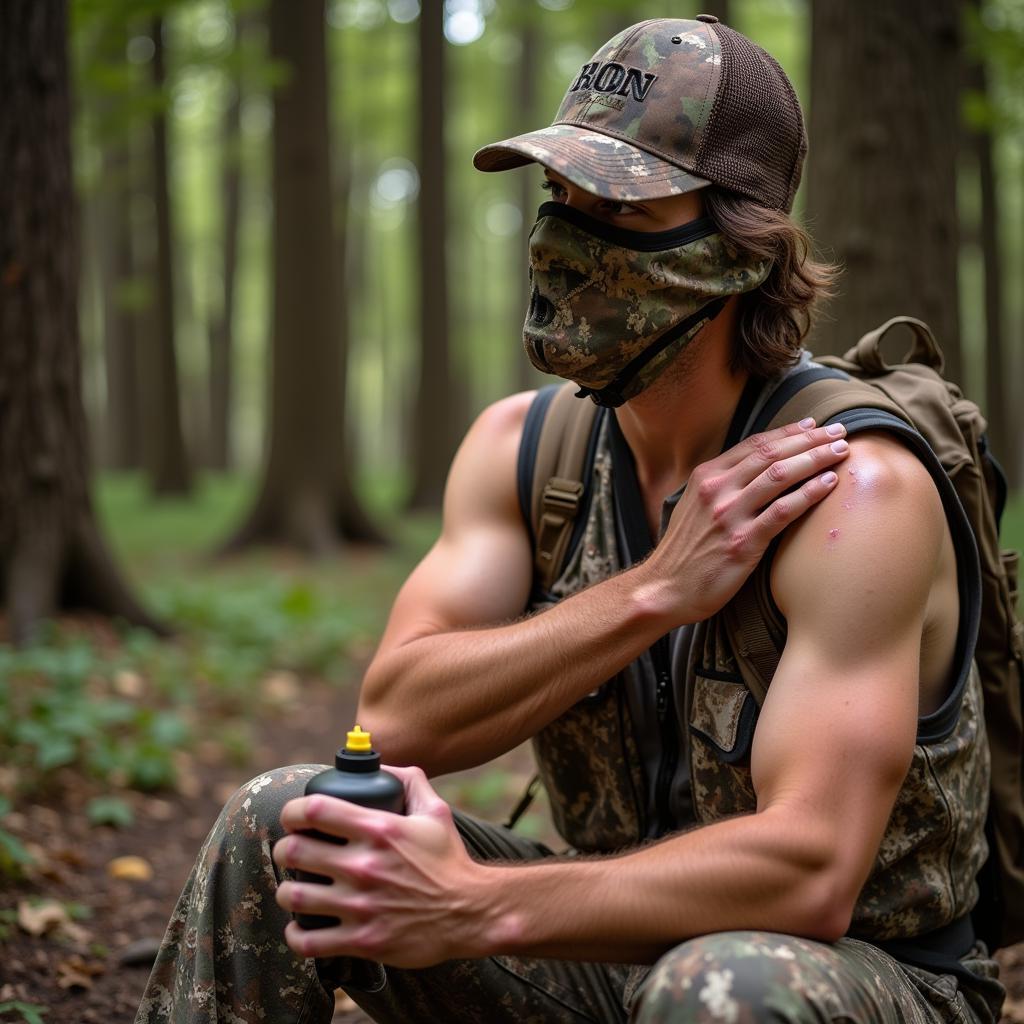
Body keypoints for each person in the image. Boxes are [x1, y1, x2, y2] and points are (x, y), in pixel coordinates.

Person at [136, 15, 1004, 1024]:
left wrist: (472, 904)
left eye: (619, 208)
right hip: (603, 952)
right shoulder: (522, 449)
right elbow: (395, 718)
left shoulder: (854, 489)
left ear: (736, 247)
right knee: (291, 822)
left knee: (719, 985)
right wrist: (649, 592)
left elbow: (807, 872)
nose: (561, 240)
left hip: (855, 977)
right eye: (559, 196)